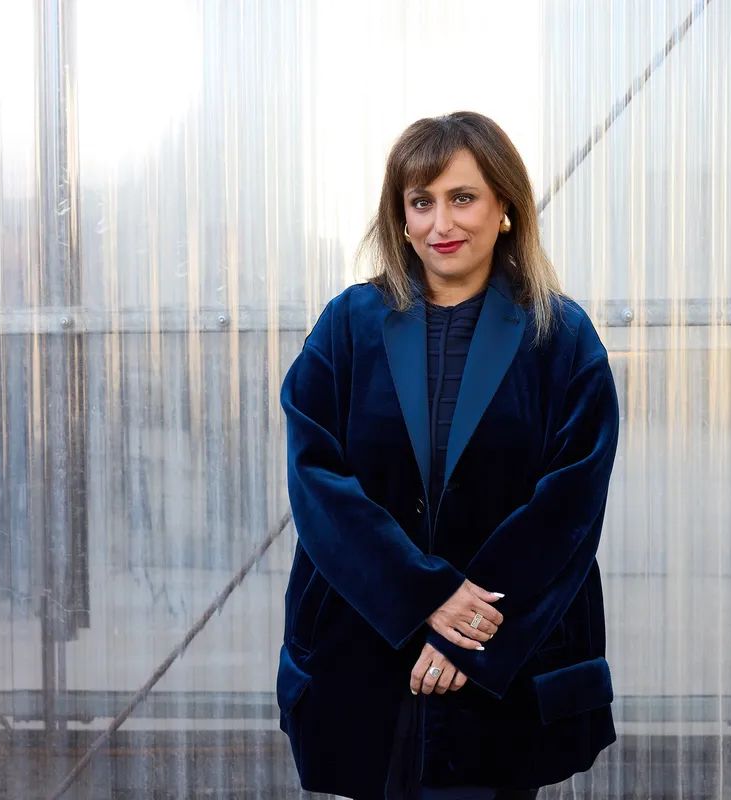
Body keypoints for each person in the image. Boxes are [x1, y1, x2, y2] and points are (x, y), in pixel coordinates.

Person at [277, 111, 620, 800]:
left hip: (508, 661)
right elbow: (315, 475)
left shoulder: (561, 335)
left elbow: (569, 505)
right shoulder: (348, 325)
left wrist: (468, 633)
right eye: (421, 201)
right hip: (365, 648)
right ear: (400, 218)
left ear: (504, 209)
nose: (441, 223)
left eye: (462, 198)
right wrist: (423, 594)